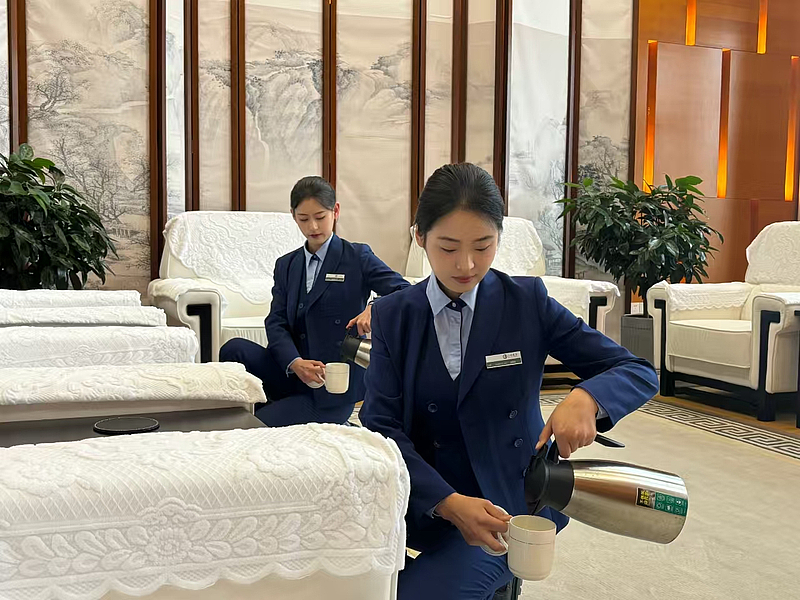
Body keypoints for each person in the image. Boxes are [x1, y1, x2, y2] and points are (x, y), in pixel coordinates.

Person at [360, 163, 659, 600]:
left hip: (510, 503)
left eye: (483, 246)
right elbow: (380, 424)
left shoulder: (527, 301)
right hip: (425, 499)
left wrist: (587, 397)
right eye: (448, 247)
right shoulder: (393, 314)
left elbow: (637, 370)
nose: (466, 264)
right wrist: (447, 502)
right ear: (420, 237)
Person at [220, 176, 409, 427]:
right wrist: (295, 363)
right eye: (303, 219)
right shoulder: (286, 265)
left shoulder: (357, 256)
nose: (313, 226)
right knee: (233, 349)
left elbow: (403, 290)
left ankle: (295, 412)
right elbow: (276, 321)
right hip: (294, 373)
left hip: (331, 386)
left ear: (335, 211)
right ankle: (281, 404)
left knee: (253, 425)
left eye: (320, 217)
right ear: (293, 216)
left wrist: (374, 308)